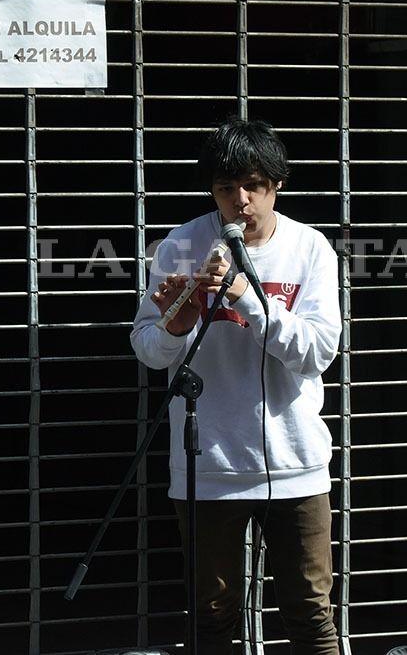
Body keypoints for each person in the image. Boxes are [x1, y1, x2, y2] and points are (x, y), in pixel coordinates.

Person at [130, 118, 342, 655]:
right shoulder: (182, 244)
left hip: (294, 465)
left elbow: (319, 352)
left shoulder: (310, 248)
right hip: (210, 467)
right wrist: (176, 326)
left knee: (310, 613)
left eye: (253, 186)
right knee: (211, 614)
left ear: (277, 183)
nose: (240, 201)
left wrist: (247, 298)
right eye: (226, 189)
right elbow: (149, 350)